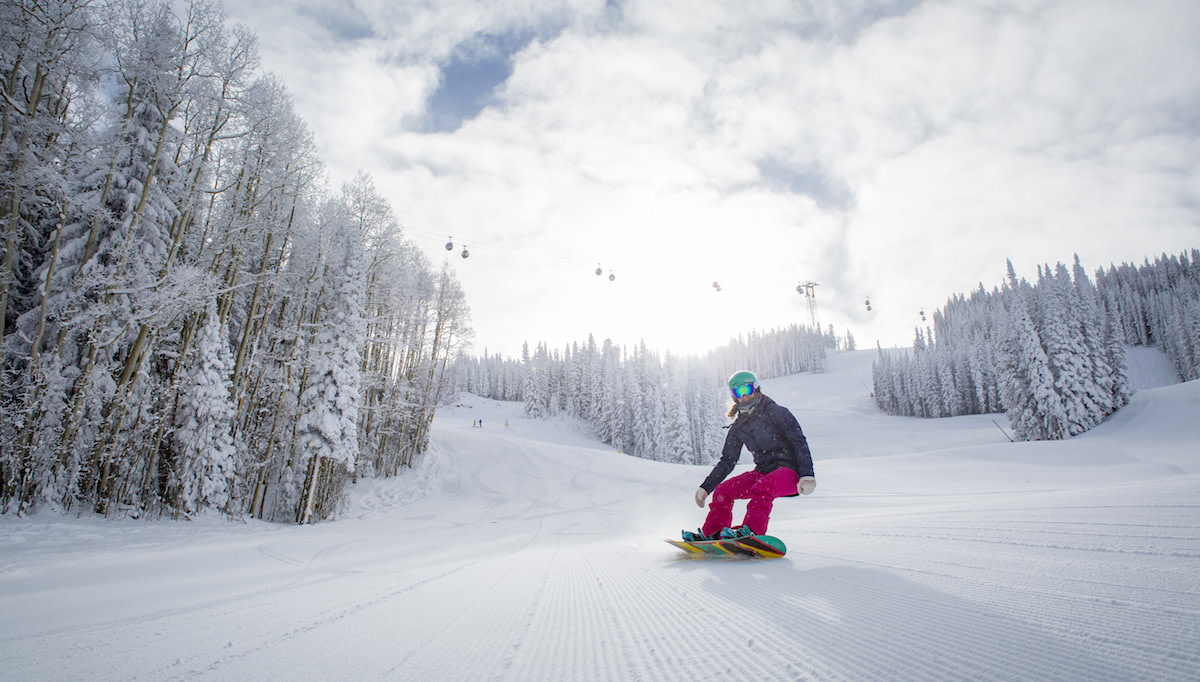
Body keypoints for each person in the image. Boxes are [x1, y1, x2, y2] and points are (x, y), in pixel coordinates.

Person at [683, 370, 815, 541]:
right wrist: (706, 487)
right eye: (739, 392)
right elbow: (727, 461)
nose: (744, 396)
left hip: (791, 473)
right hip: (763, 473)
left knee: (763, 485)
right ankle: (713, 534)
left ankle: (752, 533)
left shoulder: (777, 412)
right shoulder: (738, 427)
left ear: (756, 388)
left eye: (747, 389)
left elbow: (799, 442)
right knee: (723, 491)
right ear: (734, 396)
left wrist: (807, 475)